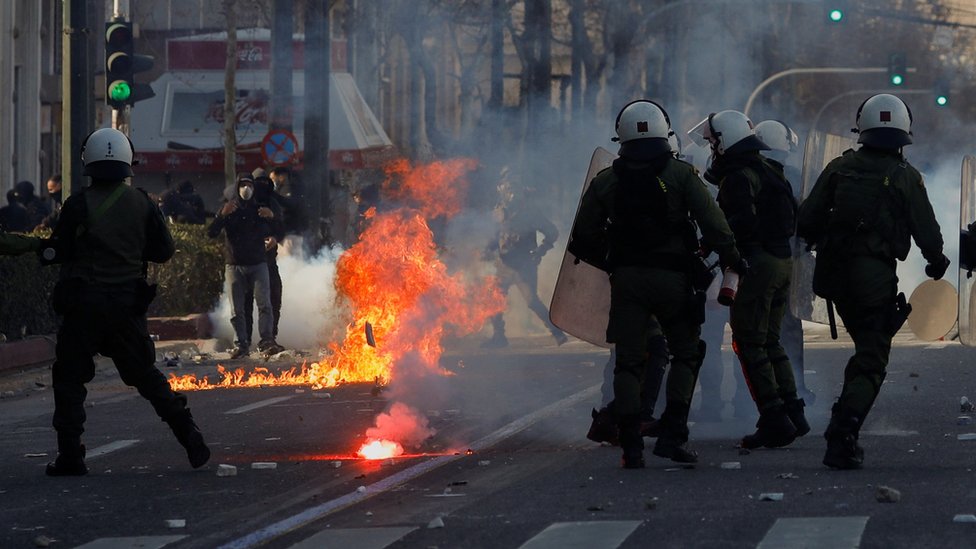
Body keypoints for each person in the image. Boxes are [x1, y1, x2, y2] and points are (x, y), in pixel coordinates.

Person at [572, 100, 742, 467]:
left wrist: (615, 262)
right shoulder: (682, 175)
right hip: (674, 281)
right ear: (665, 133)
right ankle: (672, 435)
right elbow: (714, 224)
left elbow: (582, 237)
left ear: (623, 136)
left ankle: (631, 445)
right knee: (687, 352)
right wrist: (732, 258)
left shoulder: (606, 181)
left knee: (629, 363)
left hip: (628, 283)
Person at [43, 128, 210, 476]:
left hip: (83, 306)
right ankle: (188, 433)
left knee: (70, 379)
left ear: (88, 161)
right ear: (127, 162)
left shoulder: (77, 203)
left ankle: (71, 456)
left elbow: (57, 249)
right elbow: (164, 251)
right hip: (125, 306)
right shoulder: (143, 203)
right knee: (146, 376)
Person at [797, 93, 946, 469]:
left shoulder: (838, 167)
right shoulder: (905, 176)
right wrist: (937, 262)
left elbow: (807, 219)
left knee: (866, 351)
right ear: (903, 133)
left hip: (832, 276)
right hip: (872, 280)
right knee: (873, 357)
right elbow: (926, 229)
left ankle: (843, 416)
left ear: (861, 129)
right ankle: (843, 433)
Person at [697, 109, 809, 450]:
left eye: (714, 142)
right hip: (781, 264)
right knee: (771, 341)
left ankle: (775, 419)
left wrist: (716, 253)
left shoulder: (738, 178)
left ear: (725, 141)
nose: (712, 149)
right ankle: (794, 411)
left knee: (748, 343)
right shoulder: (769, 170)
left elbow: (737, 227)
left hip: (758, 266)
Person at [754, 119, 815, 405]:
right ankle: (796, 388)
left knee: (756, 330)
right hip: (788, 265)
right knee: (788, 328)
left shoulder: (746, 175)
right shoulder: (793, 177)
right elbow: (808, 222)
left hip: (755, 265)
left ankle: (758, 394)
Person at [483, 171, 567, 348]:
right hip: (503, 265)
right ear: (502, 190)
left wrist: (539, 251)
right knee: (494, 300)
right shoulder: (498, 211)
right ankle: (499, 337)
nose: (510, 191)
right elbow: (494, 237)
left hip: (524, 266)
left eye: (514, 187)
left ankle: (557, 332)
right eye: (507, 187)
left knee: (532, 301)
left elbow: (552, 232)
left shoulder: (530, 212)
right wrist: (487, 251)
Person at [208, 173, 284, 358]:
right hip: (234, 266)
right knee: (238, 309)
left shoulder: (260, 210)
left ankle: (267, 340)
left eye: (249, 185)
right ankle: (241, 344)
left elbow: (279, 230)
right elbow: (211, 232)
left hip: (259, 264)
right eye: (243, 185)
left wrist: (272, 218)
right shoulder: (229, 209)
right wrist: (221, 215)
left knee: (264, 304)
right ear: (237, 187)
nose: (246, 189)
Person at [243, 170, 286, 349]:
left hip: (268, 261)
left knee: (273, 298)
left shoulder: (273, 204)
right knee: (245, 303)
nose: (261, 186)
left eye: (264, 182)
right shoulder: (245, 204)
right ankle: (244, 339)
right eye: (257, 182)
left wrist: (275, 237)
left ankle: (269, 338)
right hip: (246, 261)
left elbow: (282, 228)